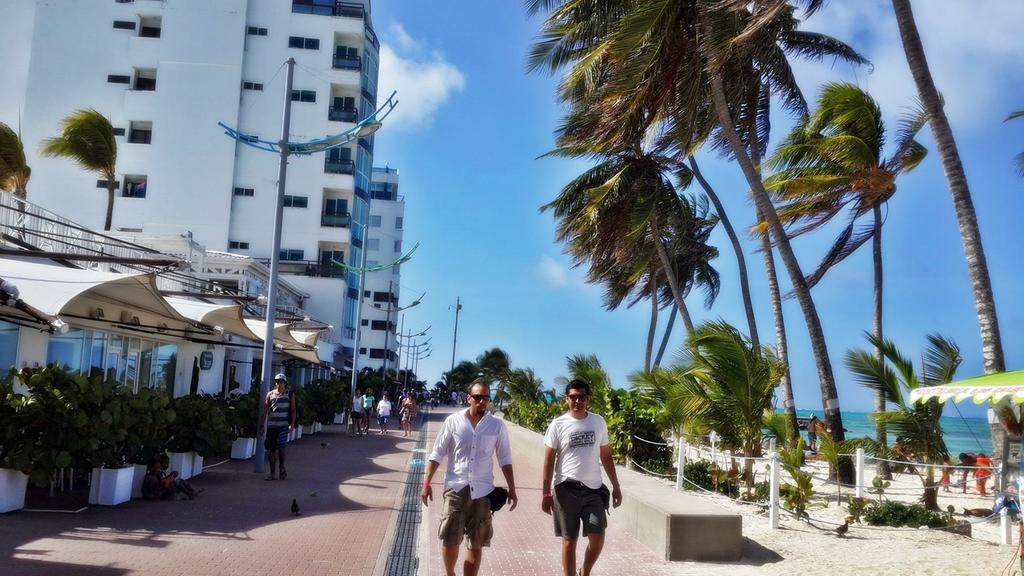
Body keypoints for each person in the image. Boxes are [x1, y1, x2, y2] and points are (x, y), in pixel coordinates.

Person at [422, 379, 517, 576]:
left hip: (482, 492)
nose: (482, 401)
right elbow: (437, 454)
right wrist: (426, 483)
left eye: (486, 398)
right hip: (455, 490)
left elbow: (505, 458)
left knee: (476, 544)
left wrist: (513, 489)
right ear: (468, 398)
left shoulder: (497, 426)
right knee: (450, 541)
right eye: (477, 397)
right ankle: (450, 574)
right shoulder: (453, 422)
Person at [542, 379, 622, 576]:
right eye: (574, 397)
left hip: (593, 489)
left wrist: (616, 486)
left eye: (582, 397)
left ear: (588, 399)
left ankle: (584, 571)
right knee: (569, 540)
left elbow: (606, 455)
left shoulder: (598, 421)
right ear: (566, 399)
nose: (578, 401)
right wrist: (545, 493)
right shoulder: (558, 424)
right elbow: (548, 460)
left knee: (597, 538)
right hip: (565, 488)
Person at [261, 373, 296, 480]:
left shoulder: (289, 394)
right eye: (277, 381)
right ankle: (272, 473)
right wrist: (262, 425)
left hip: (283, 426)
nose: (279, 383)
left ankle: (281, 467)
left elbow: (293, 411)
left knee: (281, 447)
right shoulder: (270, 394)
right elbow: (265, 410)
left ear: (285, 383)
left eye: (281, 381)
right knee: (271, 449)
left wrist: (292, 425)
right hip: (272, 426)